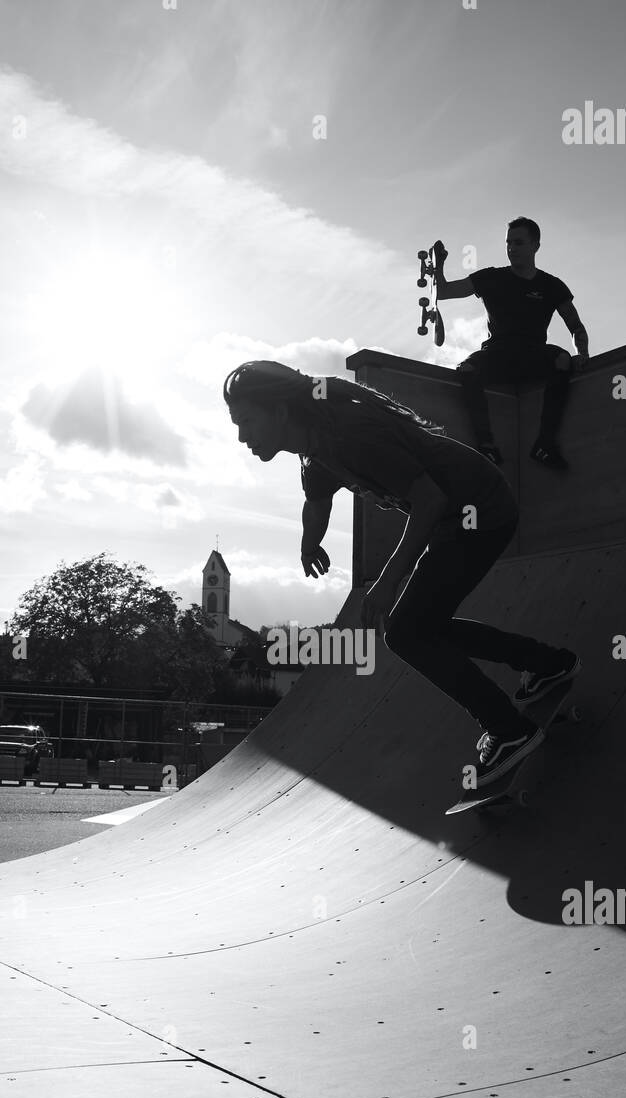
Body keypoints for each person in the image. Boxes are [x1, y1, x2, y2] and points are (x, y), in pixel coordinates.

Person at [224, 361, 580, 785]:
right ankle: (547, 663)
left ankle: (509, 730)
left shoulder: (349, 433)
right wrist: (309, 542)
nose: (242, 436)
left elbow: (428, 499)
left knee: (407, 633)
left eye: (246, 421)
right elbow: (317, 502)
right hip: (456, 518)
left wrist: (388, 581)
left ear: (280, 411)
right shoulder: (314, 453)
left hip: (480, 509)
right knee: (419, 628)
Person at [435, 217, 589, 469]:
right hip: (498, 353)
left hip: (533, 353)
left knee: (561, 359)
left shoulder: (551, 285)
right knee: (468, 369)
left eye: (518, 243)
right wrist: (439, 264)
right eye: (508, 243)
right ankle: (486, 446)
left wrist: (582, 352)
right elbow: (443, 292)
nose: (511, 248)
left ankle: (545, 445)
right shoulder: (491, 277)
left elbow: (575, 326)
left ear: (535, 246)